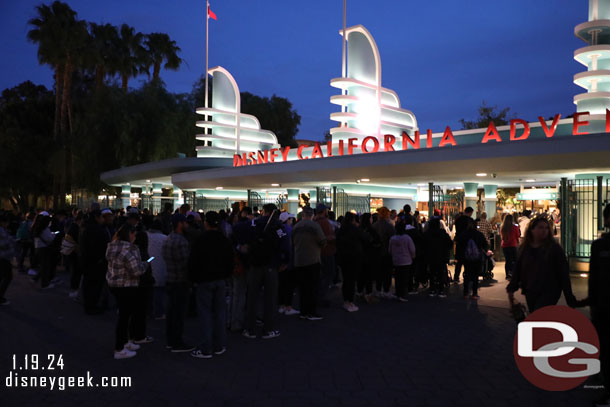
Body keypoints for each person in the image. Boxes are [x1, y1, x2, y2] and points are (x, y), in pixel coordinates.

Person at [507, 215, 577, 312]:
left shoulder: (554, 248)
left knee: (539, 314)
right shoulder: (525, 248)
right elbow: (518, 269)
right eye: (540, 227)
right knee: (536, 316)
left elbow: (563, 272)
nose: (544, 230)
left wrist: (568, 295)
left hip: (549, 290)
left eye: (546, 228)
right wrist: (512, 288)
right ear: (532, 230)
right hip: (530, 289)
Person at [189, 211, 234, 359]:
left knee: (205, 314)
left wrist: (193, 279)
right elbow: (230, 261)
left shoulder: (200, 240)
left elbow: (193, 261)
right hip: (221, 280)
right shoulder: (224, 239)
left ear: (205, 222)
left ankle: (205, 347)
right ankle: (219, 345)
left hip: (204, 280)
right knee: (220, 313)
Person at [579, 204, 610, 407]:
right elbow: (594, 277)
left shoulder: (600, 246)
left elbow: (594, 278)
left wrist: (590, 301)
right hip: (603, 305)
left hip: (602, 305)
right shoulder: (600, 245)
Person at [243, 204, 289, 338]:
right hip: (271, 265)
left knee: (252, 297)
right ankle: (268, 329)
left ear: (264, 211)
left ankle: (249, 328)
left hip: (255, 264)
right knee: (270, 298)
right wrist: (285, 261)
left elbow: (242, 233)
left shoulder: (253, 224)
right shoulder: (278, 227)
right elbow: (285, 244)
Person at [106, 224, 148, 360]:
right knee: (124, 318)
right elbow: (136, 271)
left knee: (124, 315)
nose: (134, 237)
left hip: (114, 283)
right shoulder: (129, 250)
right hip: (127, 285)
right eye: (133, 234)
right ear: (129, 234)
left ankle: (125, 342)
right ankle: (119, 348)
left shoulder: (112, 246)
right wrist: (145, 264)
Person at [162, 213, 194, 352]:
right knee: (179, 314)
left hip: (170, 278)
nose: (187, 225)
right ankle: (177, 342)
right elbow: (186, 263)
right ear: (180, 224)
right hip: (181, 281)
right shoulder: (181, 241)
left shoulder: (168, 238)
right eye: (185, 222)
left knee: (172, 312)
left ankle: (171, 340)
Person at [292, 206, 327, 320]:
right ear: (312, 215)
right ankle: (311, 312)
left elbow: (292, 242)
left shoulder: (296, 226)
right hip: (313, 260)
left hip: (299, 260)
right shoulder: (315, 226)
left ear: (302, 215)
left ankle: (303, 311)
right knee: (313, 287)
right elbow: (322, 242)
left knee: (302, 288)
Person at [80, 210, 111, 314]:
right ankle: (92, 306)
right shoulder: (98, 230)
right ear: (97, 218)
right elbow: (101, 246)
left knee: (88, 284)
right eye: (101, 217)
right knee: (95, 285)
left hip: (87, 260)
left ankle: (88, 305)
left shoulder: (86, 228)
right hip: (97, 261)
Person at [336, 212, 363, 312]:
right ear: (353, 220)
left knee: (346, 279)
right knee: (351, 280)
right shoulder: (355, 229)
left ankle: (345, 301)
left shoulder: (341, 230)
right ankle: (350, 301)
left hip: (343, 258)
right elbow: (364, 238)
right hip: (354, 258)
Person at [456, 218, 488, 300]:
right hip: (477, 257)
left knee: (467, 274)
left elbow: (459, 244)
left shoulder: (463, 234)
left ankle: (466, 293)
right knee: (475, 275)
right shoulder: (479, 234)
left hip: (466, 257)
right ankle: (474, 293)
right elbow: (485, 244)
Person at [423, 217, 453, 298]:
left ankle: (432, 290)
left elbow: (423, 245)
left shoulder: (427, 234)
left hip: (431, 256)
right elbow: (450, 244)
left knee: (432, 273)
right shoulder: (443, 233)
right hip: (441, 256)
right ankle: (441, 290)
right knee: (441, 273)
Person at [314, 203, 336, 307]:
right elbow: (328, 237)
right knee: (327, 275)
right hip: (327, 252)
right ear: (324, 211)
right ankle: (321, 297)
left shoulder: (314, 221)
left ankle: (318, 296)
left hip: (317, 253)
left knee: (320, 275)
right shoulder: (324, 222)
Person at [277, 212, 299, 316]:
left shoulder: (278, 229)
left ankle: (281, 305)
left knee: (281, 284)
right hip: (289, 262)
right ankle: (288, 307)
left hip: (280, 260)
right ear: (288, 220)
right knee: (289, 285)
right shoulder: (290, 230)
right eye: (290, 218)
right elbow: (289, 246)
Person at [389, 223, 416, 302]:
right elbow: (412, 249)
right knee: (404, 278)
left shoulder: (392, 238)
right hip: (406, 260)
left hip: (396, 260)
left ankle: (397, 293)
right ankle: (402, 294)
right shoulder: (407, 238)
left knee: (397, 278)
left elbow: (390, 250)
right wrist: (413, 256)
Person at [358, 213, 381, 304]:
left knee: (361, 275)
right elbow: (377, 242)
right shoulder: (371, 230)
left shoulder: (359, 229)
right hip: (370, 255)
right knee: (369, 276)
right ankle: (368, 294)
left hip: (360, 255)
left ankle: (360, 292)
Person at [372, 207, 395, 298]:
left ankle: (378, 289)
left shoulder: (374, 226)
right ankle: (386, 290)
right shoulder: (390, 226)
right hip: (387, 252)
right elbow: (393, 240)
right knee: (387, 273)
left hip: (377, 252)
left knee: (378, 272)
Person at [147, 219, 167, 320]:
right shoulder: (165, 238)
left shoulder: (146, 236)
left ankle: (149, 311)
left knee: (149, 291)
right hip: (162, 265)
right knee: (159, 291)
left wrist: (149, 260)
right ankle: (159, 312)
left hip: (148, 263)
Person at [32, 212, 57, 289]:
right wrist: (53, 235)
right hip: (44, 248)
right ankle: (44, 284)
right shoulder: (45, 229)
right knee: (45, 266)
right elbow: (49, 239)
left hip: (38, 247)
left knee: (43, 265)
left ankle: (37, 279)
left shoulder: (36, 228)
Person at [453, 207, 474, 283]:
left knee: (459, 262)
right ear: (470, 212)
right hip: (467, 243)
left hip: (459, 243)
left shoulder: (458, 220)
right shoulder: (470, 220)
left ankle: (456, 277)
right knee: (467, 262)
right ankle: (467, 276)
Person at [0, 214, 15, 305]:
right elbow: (4, 244)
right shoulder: (1, 231)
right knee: (8, 277)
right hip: (3, 257)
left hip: (2, 257)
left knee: (2, 276)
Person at [500, 214, 520, 280]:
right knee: (514, 260)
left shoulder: (502, 227)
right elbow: (518, 235)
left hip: (505, 245)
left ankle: (507, 274)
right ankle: (513, 273)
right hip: (513, 245)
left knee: (508, 260)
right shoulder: (514, 227)